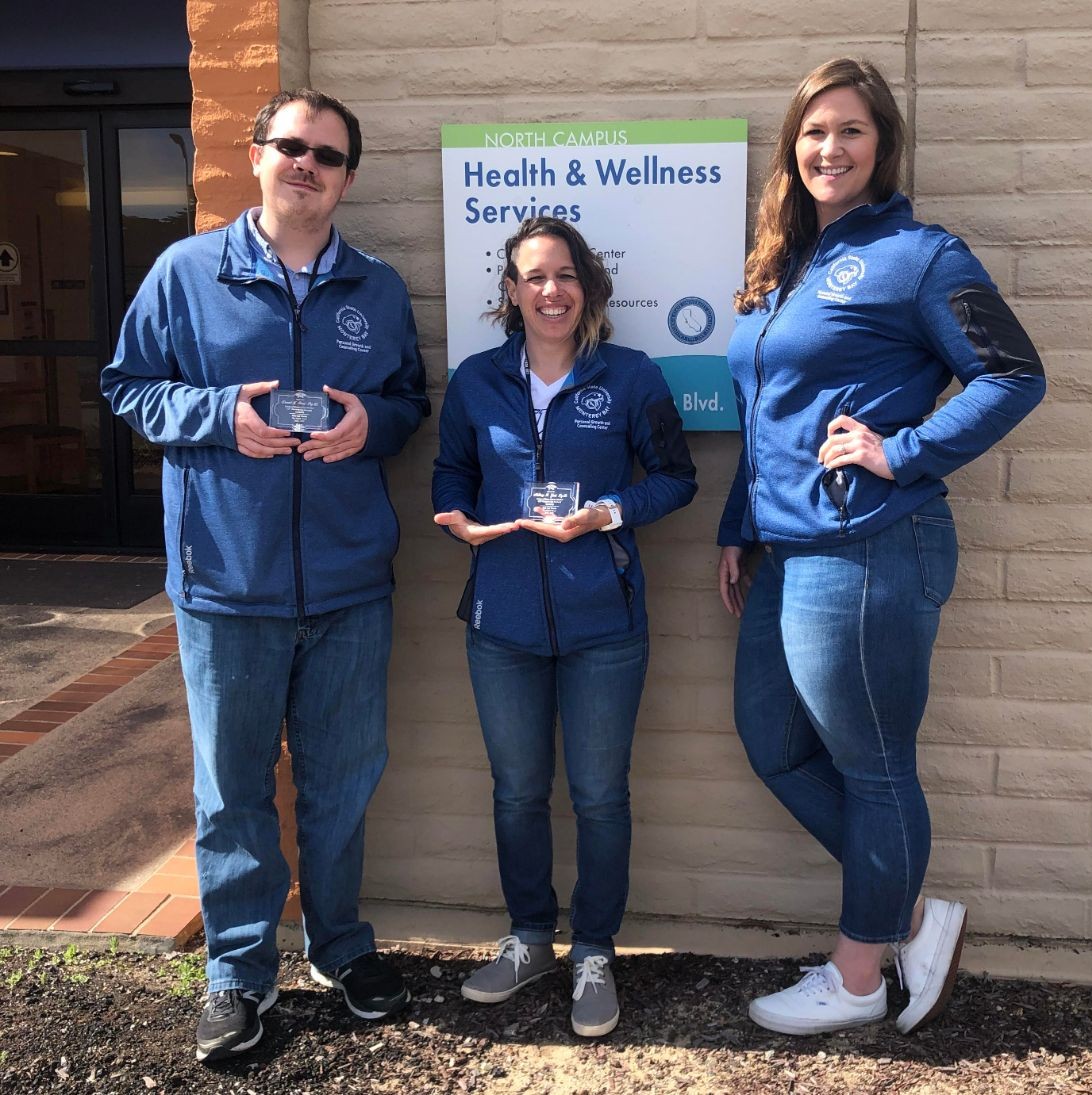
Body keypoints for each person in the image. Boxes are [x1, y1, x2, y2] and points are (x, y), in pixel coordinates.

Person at [716, 58, 1045, 1036]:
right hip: (786, 548)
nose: (830, 148)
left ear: (882, 145)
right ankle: (907, 916)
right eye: (814, 132)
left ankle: (859, 977)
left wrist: (902, 453)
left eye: (851, 130)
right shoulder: (780, 264)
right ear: (792, 147)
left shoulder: (921, 254)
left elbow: (1014, 374)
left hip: (870, 544)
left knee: (874, 767)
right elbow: (765, 413)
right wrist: (740, 525)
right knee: (773, 743)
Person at [101, 88, 429, 1063]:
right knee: (233, 792)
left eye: (327, 156)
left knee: (340, 786)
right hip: (226, 587)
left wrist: (374, 424)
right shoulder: (185, 272)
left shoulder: (375, 288)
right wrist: (216, 418)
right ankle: (240, 975)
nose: (307, 166)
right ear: (257, 156)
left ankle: (339, 949)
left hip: (348, 588)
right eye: (291, 146)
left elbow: (410, 402)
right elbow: (127, 386)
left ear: (348, 176)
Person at [433, 216, 697, 1038]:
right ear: (510, 292)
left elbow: (677, 479)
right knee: (516, 792)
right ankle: (527, 937)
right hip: (500, 620)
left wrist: (610, 512)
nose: (551, 290)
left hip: (604, 623)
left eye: (566, 275)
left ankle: (592, 947)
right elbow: (450, 472)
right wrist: (460, 521)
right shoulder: (477, 380)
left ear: (590, 288)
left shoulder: (631, 376)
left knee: (598, 795)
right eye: (533, 277)